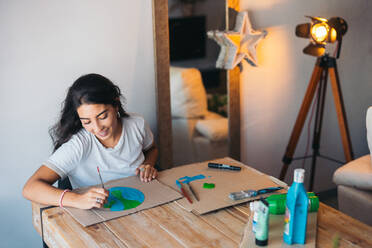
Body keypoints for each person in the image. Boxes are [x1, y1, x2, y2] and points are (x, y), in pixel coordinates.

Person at [23, 73, 158, 209]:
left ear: (116, 105)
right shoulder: (78, 145)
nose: (97, 128)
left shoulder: (137, 124)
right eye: (86, 122)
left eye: (103, 116)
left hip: (143, 201)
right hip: (99, 215)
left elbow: (151, 149)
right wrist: (77, 200)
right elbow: (30, 188)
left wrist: (148, 165)